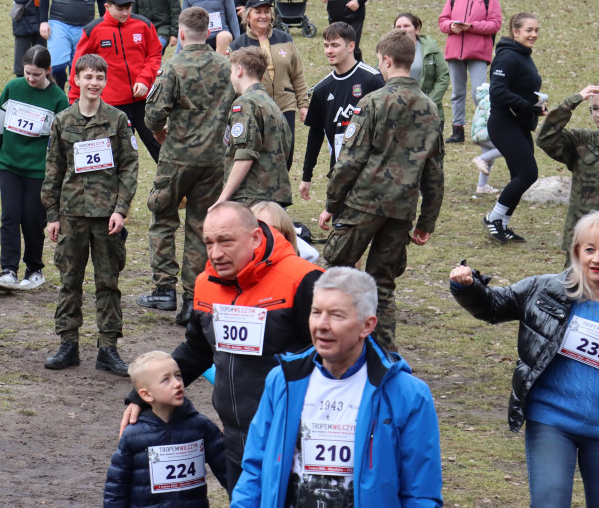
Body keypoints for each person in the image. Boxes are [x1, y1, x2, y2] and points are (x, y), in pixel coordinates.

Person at [121, 203, 323, 492]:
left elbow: (340, 358)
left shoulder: (303, 280)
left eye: (226, 241)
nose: (216, 253)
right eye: (209, 243)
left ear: (255, 238)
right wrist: (142, 396)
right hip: (237, 441)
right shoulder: (206, 284)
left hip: (295, 443)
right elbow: (197, 350)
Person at [232, 267, 443, 508]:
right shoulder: (282, 381)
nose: (322, 325)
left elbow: (420, 493)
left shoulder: (408, 395)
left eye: (336, 315)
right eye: (316, 312)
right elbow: (255, 469)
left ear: (367, 325)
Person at [450, 212, 599, 508]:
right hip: (552, 419)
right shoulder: (545, 290)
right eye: (590, 249)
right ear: (576, 252)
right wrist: (467, 286)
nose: (596, 259)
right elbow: (493, 305)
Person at [317, 29, 445, 352]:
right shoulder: (431, 109)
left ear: (386, 60)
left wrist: (332, 203)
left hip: (363, 205)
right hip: (401, 210)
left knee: (332, 272)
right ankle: (384, 357)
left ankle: (324, 344)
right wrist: (426, 222)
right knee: (383, 288)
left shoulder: (372, 102)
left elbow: (350, 160)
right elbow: (434, 173)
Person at [41, 54, 138, 376]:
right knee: (69, 281)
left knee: (108, 282)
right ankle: (68, 344)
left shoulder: (118, 120)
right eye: (88, 77)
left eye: (99, 77)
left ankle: (108, 348)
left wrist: (121, 209)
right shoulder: (62, 121)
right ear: (76, 80)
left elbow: (129, 167)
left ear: (105, 81)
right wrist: (52, 214)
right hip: (71, 213)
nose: (94, 83)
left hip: (107, 215)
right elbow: (53, 169)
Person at [138, 7, 236, 325]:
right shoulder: (226, 66)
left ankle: (164, 288)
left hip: (177, 157)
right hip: (214, 159)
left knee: (163, 217)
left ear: (181, 34)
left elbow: (153, 114)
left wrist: (158, 131)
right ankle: (193, 300)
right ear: (208, 32)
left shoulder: (174, 66)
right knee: (199, 226)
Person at [0, 46, 69, 292]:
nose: (31, 79)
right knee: (9, 217)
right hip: (9, 165)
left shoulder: (58, 99)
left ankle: (34, 269)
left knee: (33, 221)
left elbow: (61, 143)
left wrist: (57, 174)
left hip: (39, 171)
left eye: (37, 74)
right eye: (27, 73)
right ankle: (8, 270)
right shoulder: (12, 88)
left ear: (48, 70)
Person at [104, 351, 228, 507]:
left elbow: (228, 472)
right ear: (146, 395)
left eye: (178, 375)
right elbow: (116, 487)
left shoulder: (201, 426)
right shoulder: (133, 435)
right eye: (166, 379)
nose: (177, 383)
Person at [68, 0, 164, 162]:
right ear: (107, 6)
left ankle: (178, 181)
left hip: (145, 101)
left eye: (128, 7)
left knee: (162, 149)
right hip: (112, 106)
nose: (125, 13)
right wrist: (75, 100)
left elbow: (154, 55)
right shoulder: (93, 30)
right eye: (120, 8)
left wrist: (144, 79)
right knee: (118, 156)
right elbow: (78, 67)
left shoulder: (143, 25)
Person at [299, 22, 383, 203]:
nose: (329, 51)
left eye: (335, 45)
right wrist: (307, 176)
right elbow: (315, 134)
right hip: (339, 171)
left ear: (351, 46)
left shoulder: (373, 80)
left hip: (371, 173)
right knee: (338, 218)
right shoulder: (322, 89)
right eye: (326, 45)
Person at [482, 13, 542, 244]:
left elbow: (520, 89)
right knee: (528, 173)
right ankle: (493, 218)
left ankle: (503, 224)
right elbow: (497, 90)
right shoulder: (508, 56)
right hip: (503, 123)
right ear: (515, 32)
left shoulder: (524, 55)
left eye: (536, 30)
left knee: (519, 175)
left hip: (519, 123)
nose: (533, 34)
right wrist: (527, 105)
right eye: (529, 30)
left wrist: (536, 106)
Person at [229, 0, 309, 167]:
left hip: (285, 104)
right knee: (259, 153)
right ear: (247, 16)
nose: (263, 16)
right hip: (255, 107)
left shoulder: (285, 39)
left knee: (286, 152)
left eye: (266, 11)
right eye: (258, 12)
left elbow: (297, 73)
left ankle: (281, 183)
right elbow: (232, 82)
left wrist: (303, 104)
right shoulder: (238, 45)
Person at [212, 46, 293, 209]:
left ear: (239, 71)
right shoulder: (272, 105)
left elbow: (245, 156)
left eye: (232, 71)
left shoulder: (245, 104)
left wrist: (222, 199)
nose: (231, 77)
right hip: (273, 196)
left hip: (251, 196)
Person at [438, 0, 502, 144]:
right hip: (454, 52)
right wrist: (451, 26)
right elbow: (442, 20)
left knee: (478, 92)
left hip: (478, 53)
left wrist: (471, 27)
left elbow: (495, 24)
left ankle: (486, 127)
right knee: (457, 93)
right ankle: (457, 130)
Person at [538, 87, 599, 261]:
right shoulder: (582, 141)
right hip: (583, 241)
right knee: (575, 279)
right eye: (595, 109)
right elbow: (545, 138)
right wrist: (570, 103)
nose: (598, 114)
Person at [393, 12, 449, 120]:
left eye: (406, 26)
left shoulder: (431, 49)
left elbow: (443, 77)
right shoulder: (388, 50)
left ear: (417, 30)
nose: (402, 29)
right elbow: (379, 76)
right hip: (398, 112)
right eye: (398, 27)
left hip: (428, 113)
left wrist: (428, 103)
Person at [251, 201, 320, 264]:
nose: (266, 236)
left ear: (287, 236)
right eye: (259, 232)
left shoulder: (302, 268)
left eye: (274, 230)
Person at [469, 82, 502, 195]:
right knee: (505, 148)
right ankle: (480, 158)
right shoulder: (490, 99)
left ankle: (481, 187)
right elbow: (492, 116)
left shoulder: (483, 99)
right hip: (485, 134)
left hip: (478, 134)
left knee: (488, 161)